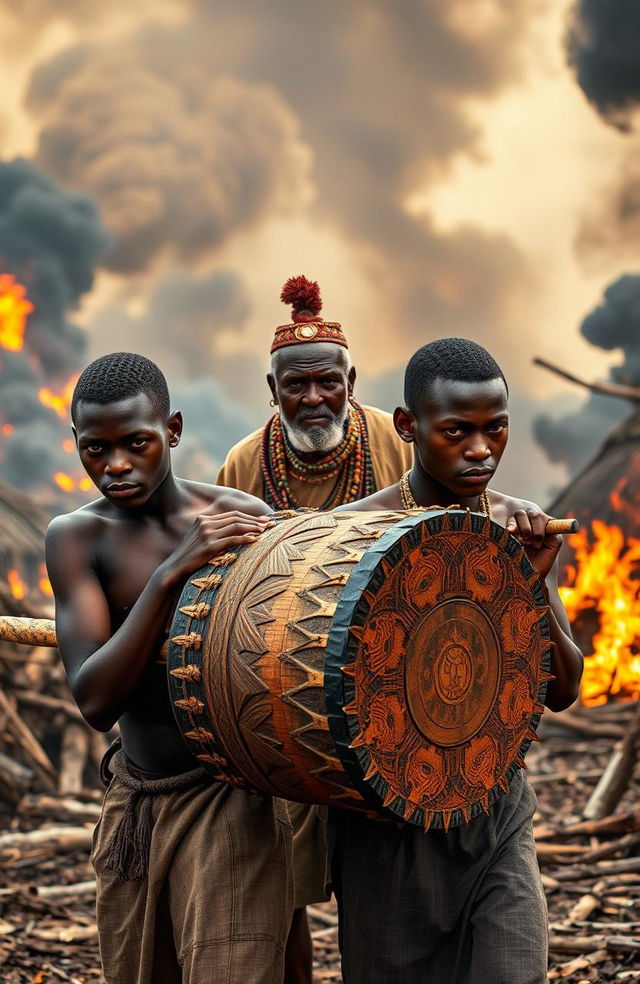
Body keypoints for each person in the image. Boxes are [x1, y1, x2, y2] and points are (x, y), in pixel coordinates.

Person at [331, 337, 583, 984]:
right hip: (387, 828)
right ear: (409, 427)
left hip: (496, 811)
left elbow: (563, 689)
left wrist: (532, 582)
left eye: (494, 429)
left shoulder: (517, 528)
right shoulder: (351, 536)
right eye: (456, 432)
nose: (480, 450)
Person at [45, 352, 293, 984]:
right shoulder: (78, 537)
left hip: (231, 798)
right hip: (137, 800)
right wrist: (167, 575)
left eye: (137, 443)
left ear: (173, 431)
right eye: (95, 449)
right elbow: (97, 700)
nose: (117, 465)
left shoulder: (241, 519)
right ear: (75, 444)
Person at [217, 275, 413, 982]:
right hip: (281, 698)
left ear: (350, 379)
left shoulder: (398, 447)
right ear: (272, 392)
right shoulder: (243, 464)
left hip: (385, 689)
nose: (312, 400)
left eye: (327, 383)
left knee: (386, 874)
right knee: (279, 881)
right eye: (294, 387)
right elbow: (226, 588)